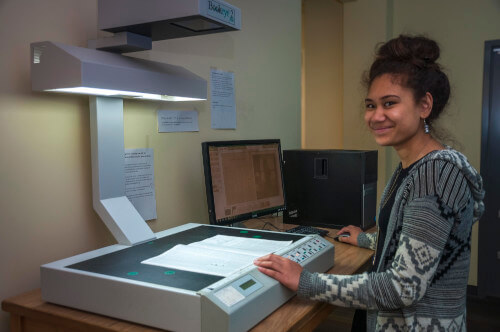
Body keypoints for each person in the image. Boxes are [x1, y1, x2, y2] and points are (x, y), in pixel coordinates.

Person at [254, 35, 485, 331]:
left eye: (389, 103)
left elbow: (403, 287)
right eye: (370, 105)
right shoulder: (411, 168)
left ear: (424, 105)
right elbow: (411, 242)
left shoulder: (435, 174)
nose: (376, 116)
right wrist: (365, 239)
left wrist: (305, 281)